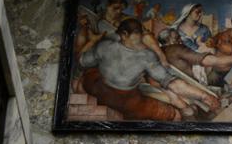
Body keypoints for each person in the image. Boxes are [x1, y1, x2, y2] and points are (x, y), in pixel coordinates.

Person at [80, 18, 217, 121]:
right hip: (125, 101)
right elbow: (171, 82)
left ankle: (187, 108)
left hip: (97, 87)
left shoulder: (104, 46)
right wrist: (203, 95)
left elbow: (83, 62)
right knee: (173, 114)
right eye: (138, 33)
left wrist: (93, 42)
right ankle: (186, 110)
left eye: (140, 33)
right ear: (126, 34)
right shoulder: (146, 55)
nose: (140, 37)